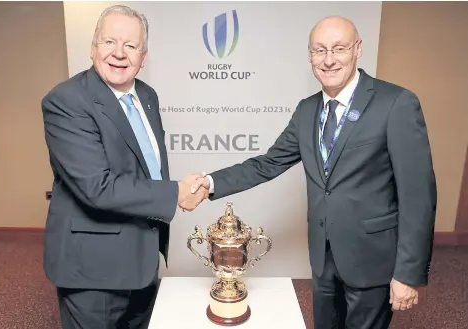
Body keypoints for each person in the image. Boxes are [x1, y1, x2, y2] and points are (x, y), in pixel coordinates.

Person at [190, 15, 437, 329]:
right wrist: (209, 183)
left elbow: (419, 196)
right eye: (320, 51)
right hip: (323, 258)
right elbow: (267, 163)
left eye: (339, 49)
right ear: (310, 56)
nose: (329, 60)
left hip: (373, 260)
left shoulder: (396, 103)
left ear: (358, 49)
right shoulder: (307, 110)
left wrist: (408, 273)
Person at [41, 5, 206, 329]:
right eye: (109, 42)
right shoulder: (67, 100)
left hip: (141, 261)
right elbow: (98, 188)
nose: (119, 53)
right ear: (93, 47)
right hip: (93, 271)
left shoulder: (147, 96)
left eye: (130, 45)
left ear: (143, 56)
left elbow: (146, 169)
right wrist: (176, 194)